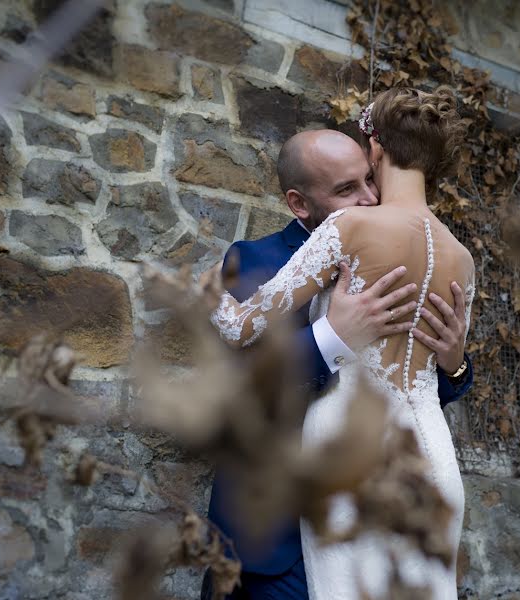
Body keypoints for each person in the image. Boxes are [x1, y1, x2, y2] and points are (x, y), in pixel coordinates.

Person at [212, 86, 474, 599]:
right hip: (432, 462)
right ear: (297, 200)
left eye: (366, 179)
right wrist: (334, 337)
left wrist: (456, 362)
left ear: (375, 151)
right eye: (348, 187)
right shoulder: (460, 256)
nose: (367, 196)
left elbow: (238, 326)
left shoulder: (348, 227)